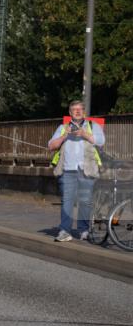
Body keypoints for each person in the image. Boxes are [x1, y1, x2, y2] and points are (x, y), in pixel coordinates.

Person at [48, 99, 105, 242]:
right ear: (70, 112)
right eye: (75, 109)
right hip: (68, 170)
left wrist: (85, 134)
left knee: (85, 201)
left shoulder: (93, 125)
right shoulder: (62, 127)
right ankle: (64, 231)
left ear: (84, 112)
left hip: (86, 170)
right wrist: (64, 135)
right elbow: (51, 146)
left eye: (80, 109)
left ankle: (83, 230)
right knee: (67, 201)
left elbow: (101, 141)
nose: (78, 111)